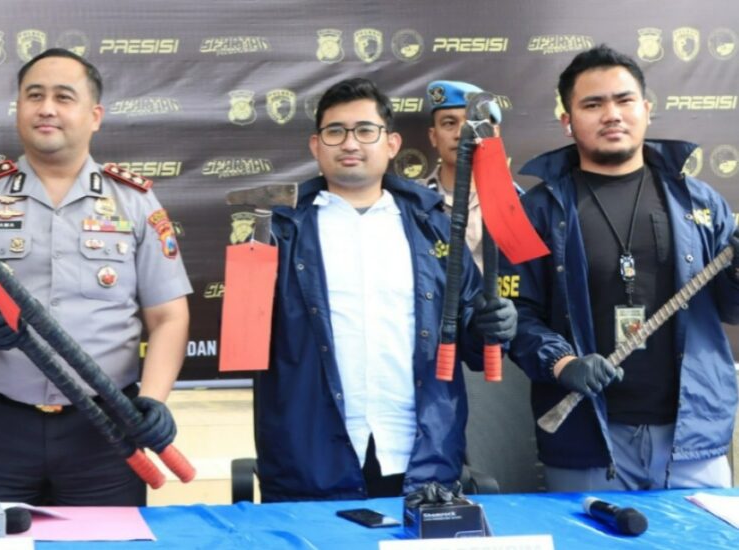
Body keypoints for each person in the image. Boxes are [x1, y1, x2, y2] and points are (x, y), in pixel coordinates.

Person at [0, 48, 191, 506]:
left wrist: (154, 399)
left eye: (63, 97)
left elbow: (169, 316)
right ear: (18, 109)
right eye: (34, 96)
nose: (46, 108)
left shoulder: (135, 201)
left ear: (95, 116)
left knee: (107, 540)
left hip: (106, 432)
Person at [252, 78, 517, 502]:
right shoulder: (278, 230)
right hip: (309, 460)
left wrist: (493, 325)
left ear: (392, 144)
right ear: (315, 145)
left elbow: (471, 340)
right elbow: (247, 342)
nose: (349, 143)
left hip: (421, 457)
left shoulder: (434, 226)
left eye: (365, 130)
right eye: (335, 131)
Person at [507, 44, 736, 491]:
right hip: (585, 439)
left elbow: (732, 309)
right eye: (593, 104)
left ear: (646, 109)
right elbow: (517, 315)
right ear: (568, 121)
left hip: (693, 441)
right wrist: (562, 363)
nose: (611, 114)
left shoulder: (701, 202)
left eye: (624, 100)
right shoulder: (535, 211)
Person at [424, 80, 506, 272]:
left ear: (494, 133)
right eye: (449, 123)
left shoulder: (518, 204)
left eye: (474, 122)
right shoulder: (414, 202)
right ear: (433, 136)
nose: (462, 133)